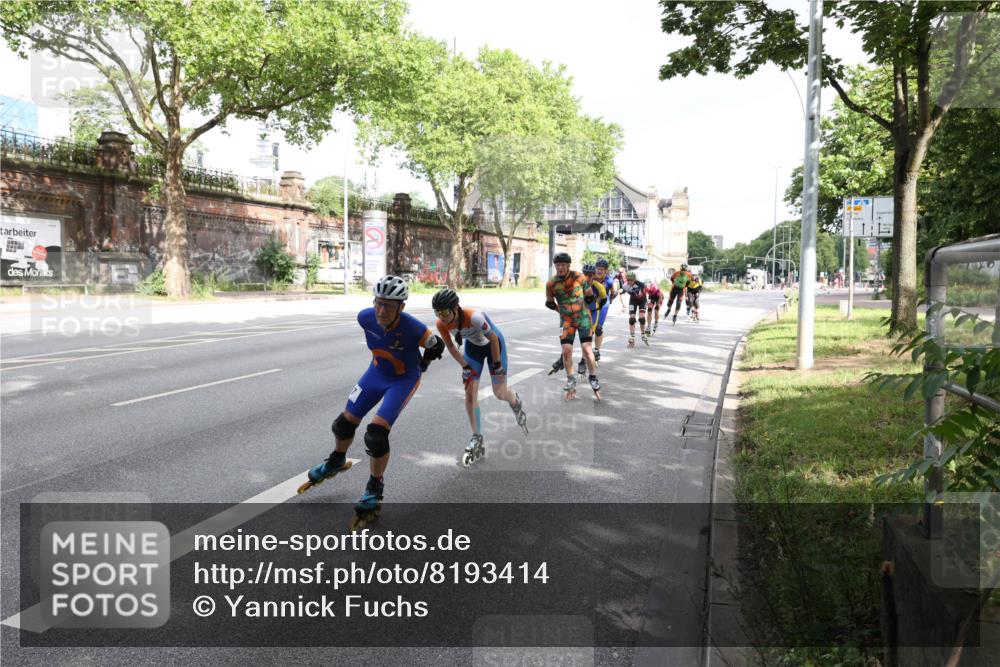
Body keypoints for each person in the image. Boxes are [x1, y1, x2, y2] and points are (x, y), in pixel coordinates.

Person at [300, 275, 445, 530]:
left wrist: (424, 363)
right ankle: (336, 460)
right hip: (376, 373)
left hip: (403, 380)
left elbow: (436, 346)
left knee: (376, 435)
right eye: (379, 303)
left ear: (401, 307)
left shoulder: (414, 328)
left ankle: (374, 487)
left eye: (389, 305)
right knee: (343, 425)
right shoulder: (364, 317)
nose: (381, 310)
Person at [432, 288, 528, 467]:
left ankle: (515, 401)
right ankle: (477, 436)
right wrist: (465, 366)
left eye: (444, 312)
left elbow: (493, 339)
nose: (441, 317)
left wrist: (497, 364)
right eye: (437, 312)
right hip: (473, 349)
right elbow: (451, 347)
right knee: (469, 394)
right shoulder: (441, 324)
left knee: (499, 393)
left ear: (455, 308)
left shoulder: (474, 317)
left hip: (493, 346)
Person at [545, 252, 600, 399]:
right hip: (566, 321)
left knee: (586, 349)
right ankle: (571, 380)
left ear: (568, 265)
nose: (560, 268)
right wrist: (561, 311)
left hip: (583, 318)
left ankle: (593, 377)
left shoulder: (579, 277)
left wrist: (583, 308)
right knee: (566, 351)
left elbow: (590, 296)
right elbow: (549, 303)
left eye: (563, 265)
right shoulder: (551, 283)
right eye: (558, 265)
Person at [593, 258, 616, 362]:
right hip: (592, 303)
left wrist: (611, 298)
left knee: (598, 329)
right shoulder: (591, 276)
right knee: (588, 328)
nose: (599, 271)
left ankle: (597, 350)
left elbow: (614, 292)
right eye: (598, 269)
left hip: (603, 304)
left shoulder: (609, 280)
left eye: (601, 269)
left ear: (606, 271)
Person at [622, 271, 648, 347]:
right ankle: (632, 336)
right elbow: (622, 292)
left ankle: (643, 334)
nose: (629, 282)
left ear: (634, 279)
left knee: (642, 318)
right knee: (632, 318)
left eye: (631, 280)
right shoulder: (625, 285)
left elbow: (636, 292)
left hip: (642, 301)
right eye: (628, 280)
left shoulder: (641, 284)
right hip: (633, 301)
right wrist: (623, 304)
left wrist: (629, 290)